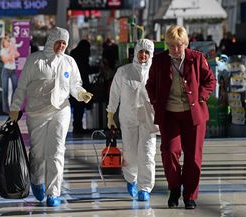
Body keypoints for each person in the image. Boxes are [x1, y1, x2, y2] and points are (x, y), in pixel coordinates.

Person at [8, 27, 93, 207]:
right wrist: (15, 108)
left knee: (56, 151)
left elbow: (75, 85)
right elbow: (22, 87)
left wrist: (81, 94)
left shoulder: (69, 62)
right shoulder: (35, 60)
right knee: (38, 153)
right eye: (59, 42)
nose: (61, 46)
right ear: (51, 41)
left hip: (60, 110)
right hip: (37, 112)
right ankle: (37, 180)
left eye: (64, 43)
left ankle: (53, 192)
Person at [146, 25, 216, 209]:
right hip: (169, 115)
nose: (176, 50)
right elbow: (150, 83)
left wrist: (201, 96)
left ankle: (190, 195)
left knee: (193, 157)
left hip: (194, 116)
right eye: (172, 46)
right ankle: (175, 187)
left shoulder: (196, 58)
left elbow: (210, 80)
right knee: (169, 152)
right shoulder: (159, 61)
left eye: (179, 45)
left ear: (186, 43)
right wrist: (155, 100)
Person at [106, 39, 158, 201]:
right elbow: (114, 94)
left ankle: (145, 188)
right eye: (141, 51)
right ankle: (131, 179)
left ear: (151, 54)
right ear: (135, 52)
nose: (143, 55)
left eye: (147, 52)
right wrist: (110, 114)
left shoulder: (156, 71)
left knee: (147, 153)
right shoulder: (124, 72)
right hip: (128, 117)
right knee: (130, 152)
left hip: (149, 117)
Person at [69, 39, 97, 134]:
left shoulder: (74, 53)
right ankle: (78, 128)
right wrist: (96, 68)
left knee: (78, 108)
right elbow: (86, 69)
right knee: (79, 108)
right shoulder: (82, 55)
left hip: (74, 85)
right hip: (80, 85)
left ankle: (77, 126)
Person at [0, 34, 20, 114]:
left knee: (15, 88)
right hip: (6, 70)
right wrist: (11, 53)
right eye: (6, 41)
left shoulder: (12, 48)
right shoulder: (3, 50)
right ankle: (5, 109)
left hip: (13, 70)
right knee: (5, 90)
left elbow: (18, 55)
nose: (8, 43)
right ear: (3, 43)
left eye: (9, 41)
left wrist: (12, 51)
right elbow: (5, 60)